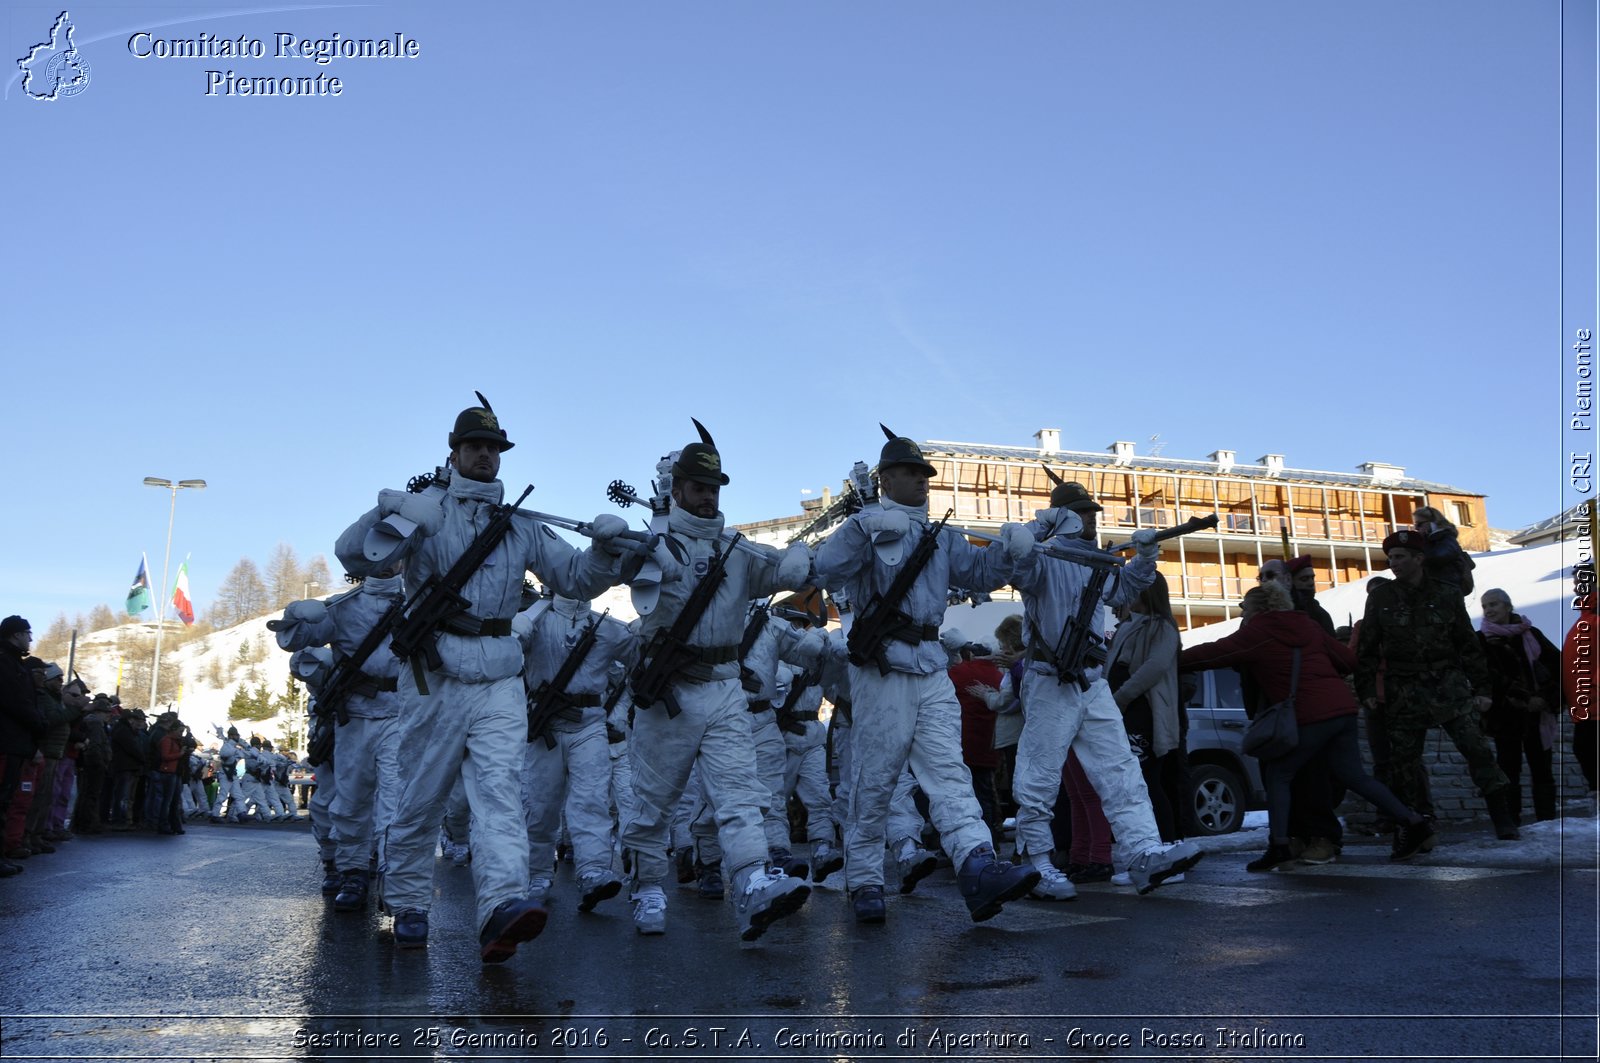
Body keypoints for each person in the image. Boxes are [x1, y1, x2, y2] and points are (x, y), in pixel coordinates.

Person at [334, 397, 631, 964]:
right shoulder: (427, 511)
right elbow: (359, 557)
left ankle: (502, 905)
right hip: (435, 673)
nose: (486, 457)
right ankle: (407, 901)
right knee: (421, 796)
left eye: (495, 449)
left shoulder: (519, 524)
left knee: (500, 795)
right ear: (454, 452)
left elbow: (572, 577)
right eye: (475, 446)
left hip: (499, 672)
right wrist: (385, 514)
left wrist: (603, 550)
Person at [815, 427, 1040, 925]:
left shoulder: (942, 535)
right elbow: (823, 570)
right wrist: (863, 527)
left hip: (932, 666)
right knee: (874, 781)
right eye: (911, 473)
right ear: (885, 479)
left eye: (924, 474)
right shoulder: (869, 525)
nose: (922, 481)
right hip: (884, 669)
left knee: (950, 776)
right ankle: (866, 878)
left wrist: (1007, 551)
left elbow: (979, 575)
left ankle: (977, 865)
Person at [618, 421, 815, 941]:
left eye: (714, 488)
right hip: (672, 692)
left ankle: (751, 882)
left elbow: (781, 572)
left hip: (727, 687)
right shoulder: (655, 545)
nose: (707, 497)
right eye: (698, 487)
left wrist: (796, 565)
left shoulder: (738, 550)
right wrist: (629, 551)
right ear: (677, 489)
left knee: (739, 795)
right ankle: (646, 886)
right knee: (655, 802)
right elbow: (625, 582)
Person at [1004, 480, 1203, 900]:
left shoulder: (1098, 561)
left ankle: (1144, 852)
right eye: (1082, 513)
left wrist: (1145, 556)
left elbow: (1126, 590)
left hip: (1091, 683)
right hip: (1050, 680)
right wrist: (1033, 534)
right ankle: (1038, 864)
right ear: (1062, 518)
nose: (1092, 518)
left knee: (1121, 772)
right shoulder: (1044, 558)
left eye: (1093, 512)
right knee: (1038, 779)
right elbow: (1015, 567)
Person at [1184, 582, 1434, 869]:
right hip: (1342, 710)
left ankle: (1279, 846)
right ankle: (1414, 823)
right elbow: (1347, 660)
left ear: (1258, 607)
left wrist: (1172, 660)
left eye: (1245, 606)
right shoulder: (1309, 625)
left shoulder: (1258, 631)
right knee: (1355, 777)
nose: (1243, 612)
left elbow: (1211, 654)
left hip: (1308, 714)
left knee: (1279, 775)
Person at [1356, 530, 1517, 840]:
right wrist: (1366, 691)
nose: (1394, 563)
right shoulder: (1381, 597)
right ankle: (1418, 822)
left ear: (1419, 559)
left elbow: (1467, 644)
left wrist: (1482, 688)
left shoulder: (1446, 593)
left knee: (1476, 749)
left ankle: (1502, 816)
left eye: (1401, 557)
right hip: (1403, 687)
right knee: (1404, 762)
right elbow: (1367, 648)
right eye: (1391, 558)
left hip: (1447, 684)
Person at [271, 563, 408, 913]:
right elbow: (296, 643)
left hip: (402, 715)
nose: (389, 564)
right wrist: (296, 613)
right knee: (349, 801)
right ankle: (352, 872)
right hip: (355, 719)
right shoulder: (343, 606)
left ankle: (394, 877)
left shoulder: (418, 599)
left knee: (394, 802)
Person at [515, 592, 636, 913]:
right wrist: (533, 611)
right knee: (539, 804)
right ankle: (537, 872)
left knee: (592, 800)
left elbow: (641, 650)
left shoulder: (607, 627)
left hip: (590, 724)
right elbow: (511, 644)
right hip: (545, 725)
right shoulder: (535, 621)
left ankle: (593, 870)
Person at [1107, 573, 1185, 843]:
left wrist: (1120, 697)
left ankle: (1164, 846)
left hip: (1144, 715)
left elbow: (1153, 668)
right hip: (1122, 714)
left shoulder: (1162, 627)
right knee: (1131, 784)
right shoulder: (1127, 626)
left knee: (1147, 782)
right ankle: (1146, 848)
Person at [1477, 588, 1561, 825]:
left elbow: (1557, 666)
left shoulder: (1531, 634)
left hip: (1538, 715)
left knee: (1542, 770)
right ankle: (1511, 823)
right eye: (1485, 606)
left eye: (1494, 604)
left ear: (1507, 606)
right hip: (1505, 717)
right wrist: (1525, 699)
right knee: (1508, 771)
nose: (1489, 610)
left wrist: (1545, 698)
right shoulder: (1481, 640)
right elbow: (1486, 676)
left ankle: (1547, 822)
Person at [1564, 564, 1598, 813]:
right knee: (1585, 750)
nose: (1577, 587)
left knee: (1587, 750)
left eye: (1582, 581)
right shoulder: (1586, 617)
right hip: (1585, 704)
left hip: (1595, 702)